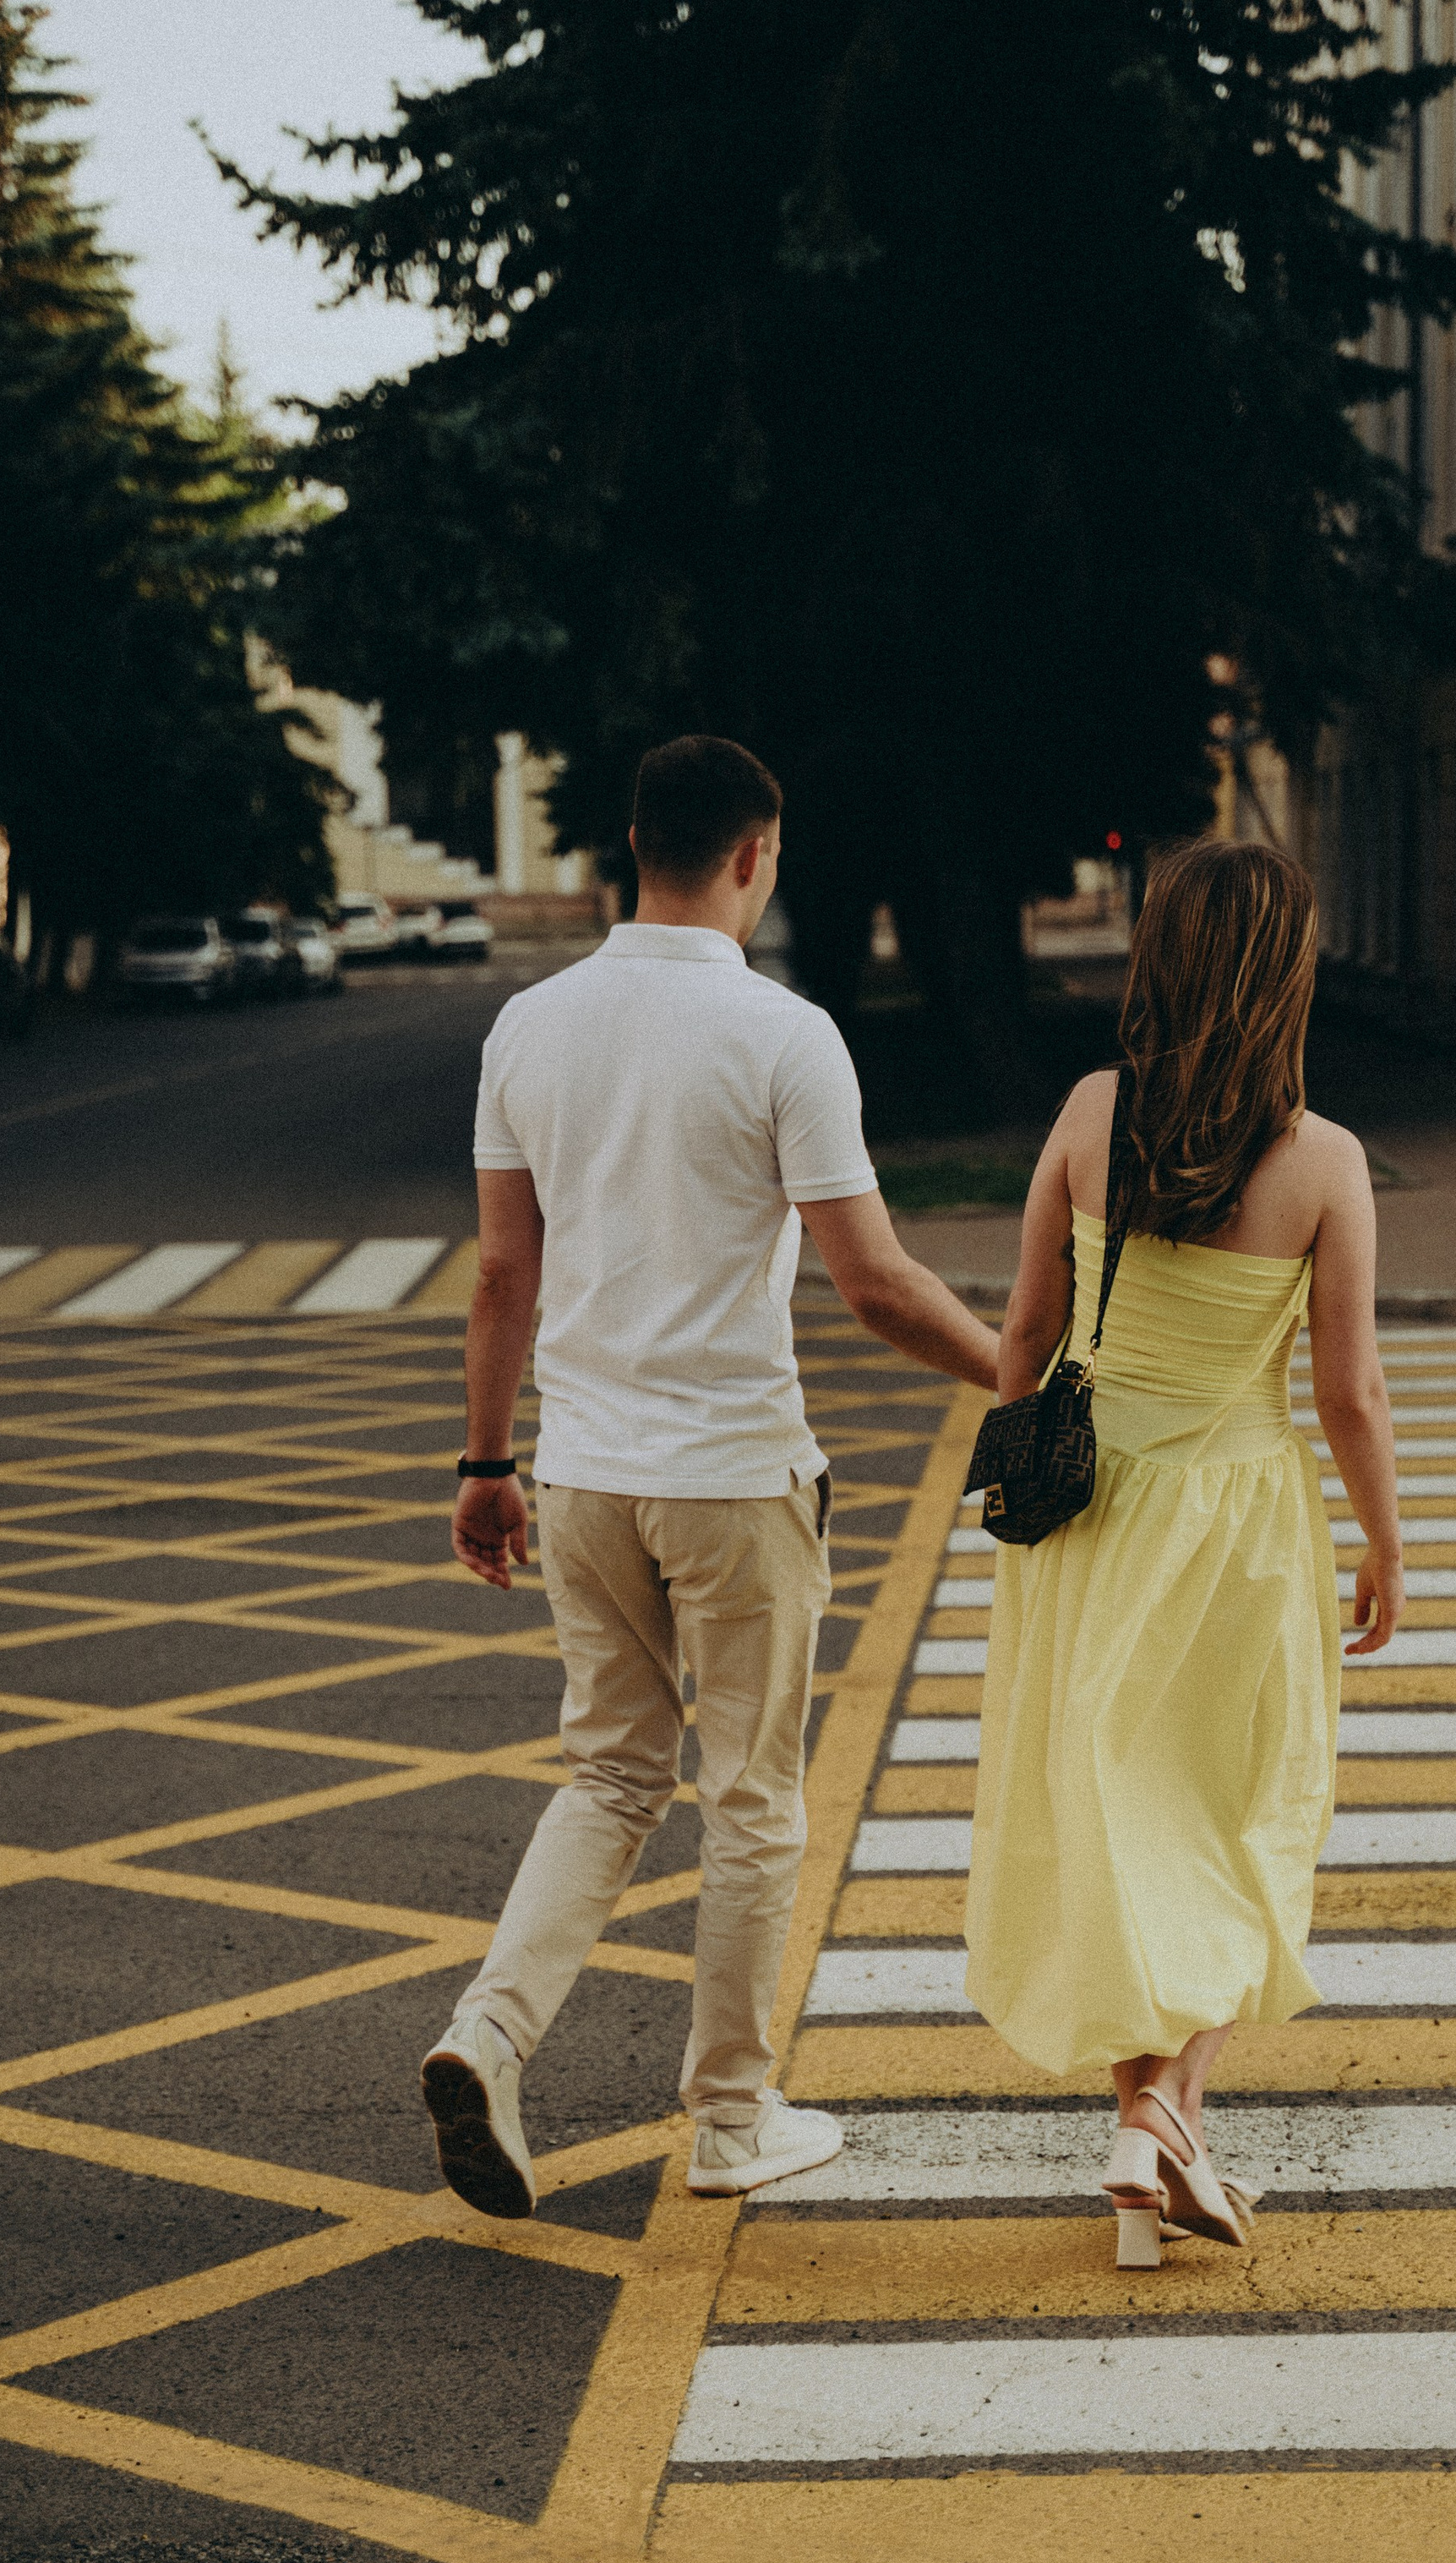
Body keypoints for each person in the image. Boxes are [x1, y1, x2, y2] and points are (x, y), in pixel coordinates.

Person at [421, 734, 999, 2218]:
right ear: (754, 856)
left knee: (609, 1773)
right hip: (735, 1476)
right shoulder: (783, 1035)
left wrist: (489, 1459)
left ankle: (488, 2035)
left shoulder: (531, 1027)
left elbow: (501, 1269)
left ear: (632, 847)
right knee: (751, 1798)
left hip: (583, 1472)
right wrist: (1022, 1371)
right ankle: (733, 2120)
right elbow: (872, 1283)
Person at [964, 837, 1404, 2266]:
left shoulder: (1094, 1115)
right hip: (1239, 1527)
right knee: (1235, 1814)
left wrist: (1021, 1454)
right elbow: (1348, 1393)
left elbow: (1025, 1332)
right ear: (1288, 977)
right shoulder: (1326, 1162)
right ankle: (1164, 2119)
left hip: (1090, 1512)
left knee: (1122, 1817)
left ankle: (1151, 2125)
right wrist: (1386, 1541)